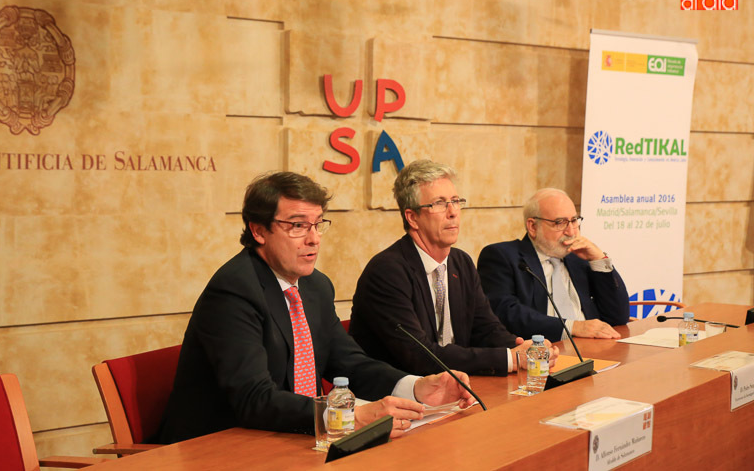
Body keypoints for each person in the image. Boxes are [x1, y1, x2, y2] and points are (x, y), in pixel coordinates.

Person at [157, 171, 475, 444]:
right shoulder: (234, 291)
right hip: (219, 448)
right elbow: (254, 398)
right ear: (258, 231)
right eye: (298, 226)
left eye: (317, 224)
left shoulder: (315, 286)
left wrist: (416, 387)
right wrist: (350, 415)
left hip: (290, 439)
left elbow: (349, 363)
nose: (314, 239)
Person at [349, 160, 558, 377]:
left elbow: (485, 328)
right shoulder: (387, 272)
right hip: (399, 391)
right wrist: (509, 358)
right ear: (412, 218)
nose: (453, 212)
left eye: (455, 201)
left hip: (457, 384)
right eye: (439, 203)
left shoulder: (461, 262)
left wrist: (525, 349)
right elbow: (420, 356)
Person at [477, 188, 630, 342]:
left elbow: (618, 316)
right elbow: (506, 313)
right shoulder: (502, 257)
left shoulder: (579, 257)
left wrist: (599, 260)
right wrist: (572, 327)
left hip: (594, 346)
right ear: (533, 227)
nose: (571, 232)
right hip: (543, 350)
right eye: (560, 223)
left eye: (574, 221)